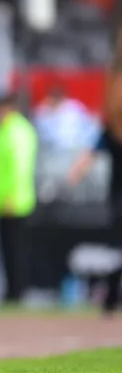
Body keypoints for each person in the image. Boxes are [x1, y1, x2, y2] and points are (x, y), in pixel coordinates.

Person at [0, 93, 38, 305]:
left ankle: (17, 292)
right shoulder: (1, 131)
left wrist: (11, 195)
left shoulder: (17, 131)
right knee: (4, 250)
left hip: (14, 202)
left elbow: (19, 168)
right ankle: (10, 291)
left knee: (15, 250)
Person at [67, 127, 122, 316]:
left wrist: (76, 171)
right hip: (118, 200)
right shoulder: (112, 130)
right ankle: (112, 296)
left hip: (117, 200)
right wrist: (76, 171)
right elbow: (91, 153)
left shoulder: (112, 130)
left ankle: (112, 297)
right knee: (117, 250)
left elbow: (90, 154)